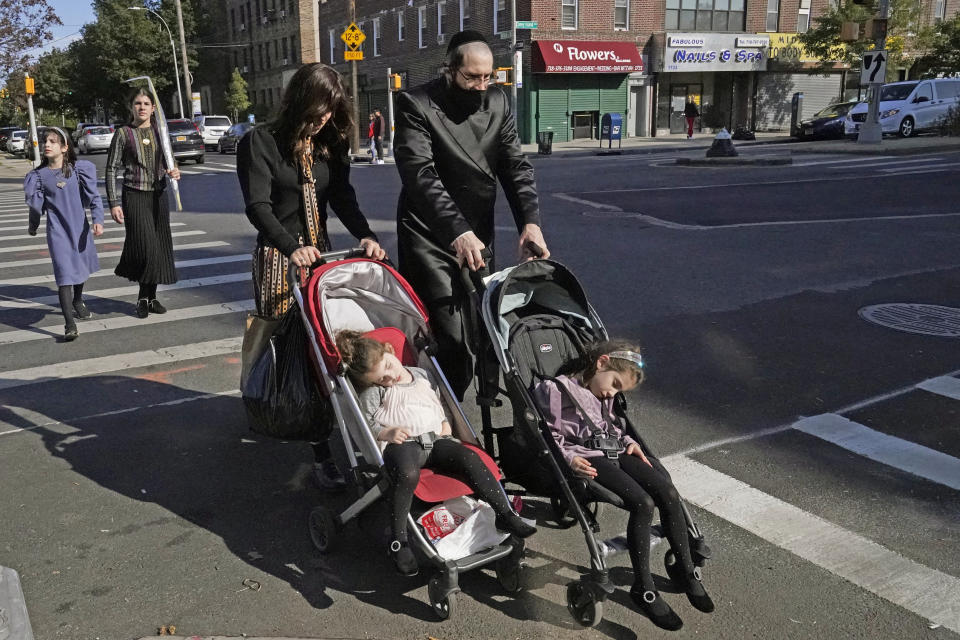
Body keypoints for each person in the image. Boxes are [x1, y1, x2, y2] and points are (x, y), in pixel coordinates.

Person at [237, 62, 387, 490]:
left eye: (330, 111)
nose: (322, 119)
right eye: (317, 110)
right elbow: (258, 207)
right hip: (279, 257)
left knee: (323, 349)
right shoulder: (260, 142)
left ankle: (334, 436)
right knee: (286, 349)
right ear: (298, 101)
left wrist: (366, 236)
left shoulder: (329, 144)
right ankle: (285, 414)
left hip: (319, 260)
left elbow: (343, 196)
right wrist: (290, 245)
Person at [394, 30, 549, 399]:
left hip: (477, 230)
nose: (481, 86)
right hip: (429, 232)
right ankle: (443, 412)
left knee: (486, 325)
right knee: (451, 334)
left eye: (488, 76)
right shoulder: (416, 103)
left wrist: (530, 222)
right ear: (449, 70)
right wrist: (457, 230)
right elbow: (420, 175)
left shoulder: (498, 101)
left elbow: (515, 165)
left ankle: (475, 400)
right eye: (472, 77)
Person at [533, 340, 714, 631]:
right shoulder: (555, 389)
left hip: (616, 448)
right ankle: (644, 587)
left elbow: (613, 425)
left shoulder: (603, 394)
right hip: (588, 456)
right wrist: (569, 459)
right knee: (643, 503)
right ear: (601, 363)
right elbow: (549, 435)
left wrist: (630, 442)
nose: (612, 392)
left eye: (619, 391)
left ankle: (687, 571)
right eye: (614, 384)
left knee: (667, 491)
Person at [336, 329, 536, 576]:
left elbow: (437, 402)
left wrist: (445, 422)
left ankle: (504, 513)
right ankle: (399, 542)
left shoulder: (422, 375)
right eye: (382, 379)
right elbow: (364, 423)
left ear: (390, 350)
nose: (390, 377)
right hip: (405, 445)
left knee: (470, 458)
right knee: (408, 474)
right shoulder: (374, 393)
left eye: (389, 366)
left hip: (437, 439)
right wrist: (385, 433)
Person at [105, 88, 182, 319]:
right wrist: (113, 202)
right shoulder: (123, 133)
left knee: (158, 248)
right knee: (146, 247)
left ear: (153, 108)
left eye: (146, 103)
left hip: (158, 195)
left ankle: (151, 297)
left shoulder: (161, 132)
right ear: (132, 107)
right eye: (137, 103)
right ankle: (142, 298)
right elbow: (111, 169)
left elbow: (170, 160)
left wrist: (174, 171)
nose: (141, 107)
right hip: (134, 194)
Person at [23, 127, 104, 341]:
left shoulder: (78, 170)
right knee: (64, 275)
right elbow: (35, 207)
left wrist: (98, 220)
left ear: (65, 147)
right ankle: (69, 324)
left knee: (79, 267)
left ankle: (78, 300)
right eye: (45, 142)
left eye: (52, 141)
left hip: (80, 229)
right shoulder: (38, 176)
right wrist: (33, 226)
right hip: (57, 232)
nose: (47, 145)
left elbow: (94, 197)